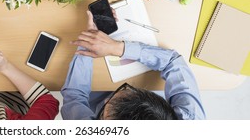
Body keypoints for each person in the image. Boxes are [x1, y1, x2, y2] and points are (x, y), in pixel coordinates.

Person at [61, 10, 205, 120]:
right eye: (127, 91)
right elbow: (173, 61)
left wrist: (88, 44)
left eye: (104, 113)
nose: (106, 99)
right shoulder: (191, 121)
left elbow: (74, 96)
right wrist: (116, 47)